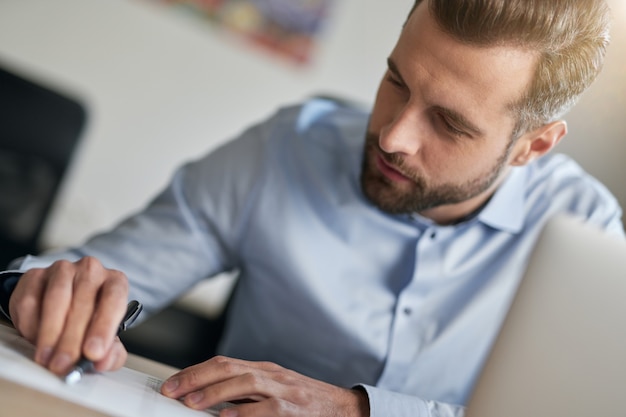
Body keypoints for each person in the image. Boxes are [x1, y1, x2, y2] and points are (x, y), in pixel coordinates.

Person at [0, 0, 623, 416]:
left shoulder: (585, 236)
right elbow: (100, 269)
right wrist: (39, 291)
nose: (393, 137)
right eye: (396, 81)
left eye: (450, 124)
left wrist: (357, 410)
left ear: (533, 146)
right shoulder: (287, 148)